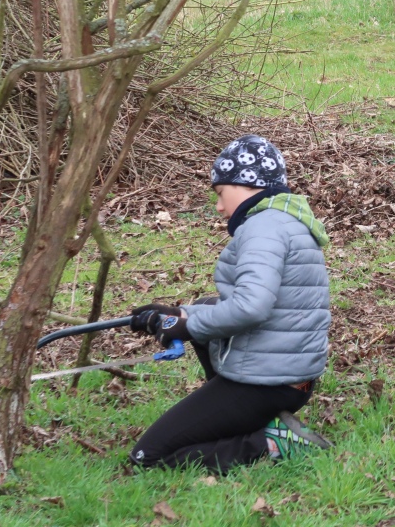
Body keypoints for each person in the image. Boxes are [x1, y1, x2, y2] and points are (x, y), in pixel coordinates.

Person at [127, 134, 332, 472]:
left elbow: (251, 307)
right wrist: (180, 314)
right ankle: (253, 423)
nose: (220, 207)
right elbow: (240, 302)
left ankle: (269, 443)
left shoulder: (263, 228)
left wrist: (188, 325)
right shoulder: (287, 221)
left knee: (147, 457)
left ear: (246, 184)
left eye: (221, 193)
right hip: (290, 380)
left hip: (266, 384)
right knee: (208, 305)